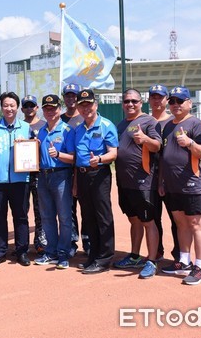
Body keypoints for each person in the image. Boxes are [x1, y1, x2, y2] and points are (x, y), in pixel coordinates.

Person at [159, 86, 201, 285]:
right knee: (180, 223)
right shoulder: (167, 126)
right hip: (171, 185)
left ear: (189, 103)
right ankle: (183, 261)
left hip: (191, 183)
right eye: (172, 101)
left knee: (195, 224)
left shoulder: (195, 124)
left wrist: (189, 143)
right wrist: (162, 181)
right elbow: (163, 158)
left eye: (180, 101)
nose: (176, 105)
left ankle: (200, 267)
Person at [112, 89, 161, 279]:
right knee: (134, 220)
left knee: (149, 221)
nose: (130, 104)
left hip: (144, 182)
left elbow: (157, 146)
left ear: (141, 103)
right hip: (124, 182)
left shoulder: (149, 121)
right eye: (126, 101)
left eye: (134, 101)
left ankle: (152, 260)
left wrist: (145, 139)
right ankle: (134, 256)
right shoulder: (121, 124)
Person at [0, 92, 32, 268]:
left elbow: (34, 150)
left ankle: (22, 251)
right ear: (1, 108)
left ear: (18, 107)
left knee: (21, 217)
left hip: (20, 180)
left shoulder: (26, 127)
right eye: (5, 105)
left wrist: (28, 144)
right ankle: (0, 251)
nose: (9, 108)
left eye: (12, 105)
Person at [73, 89, 118, 274]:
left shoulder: (106, 125)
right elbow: (76, 158)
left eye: (89, 104)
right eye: (82, 105)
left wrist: (99, 159)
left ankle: (105, 258)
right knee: (88, 217)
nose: (86, 109)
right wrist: (75, 183)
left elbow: (114, 153)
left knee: (103, 216)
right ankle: (93, 255)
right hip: (82, 176)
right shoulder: (77, 129)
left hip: (99, 174)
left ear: (96, 105)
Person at [33, 94, 75, 270]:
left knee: (65, 216)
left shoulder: (67, 131)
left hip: (61, 175)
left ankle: (63, 252)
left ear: (60, 109)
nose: (50, 111)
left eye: (54, 108)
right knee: (47, 216)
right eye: (47, 108)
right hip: (43, 176)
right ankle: (50, 252)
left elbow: (74, 158)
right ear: (43, 111)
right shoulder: (41, 131)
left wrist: (58, 155)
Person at [149, 84, 179, 262]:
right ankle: (157, 251)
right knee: (153, 217)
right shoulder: (144, 120)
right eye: (153, 96)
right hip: (148, 177)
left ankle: (179, 254)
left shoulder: (173, 121)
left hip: (170, 177)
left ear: (166, 99)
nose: (157, 100)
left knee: (176, 219)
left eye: (160, 96)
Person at [60, 83, 86, 257]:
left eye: (74, 95)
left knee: (87, 208)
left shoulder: (85, 118)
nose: (71, 99)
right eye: (68, 95)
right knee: (67, 210)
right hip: (64, 171)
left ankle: (89, 241)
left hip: (82, 169)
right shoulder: (59, 119)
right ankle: (71, 242)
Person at [21, 94, 47, 254]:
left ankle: (40, 242)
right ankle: (22, 243)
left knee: (40, 209)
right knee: (22, 210)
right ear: (22, 109)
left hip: (39, 173)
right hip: (22, 173)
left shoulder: (45, 125)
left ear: (37, 108)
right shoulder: (19, 125)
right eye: (26, 106)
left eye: (32, 105)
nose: (29, 108)